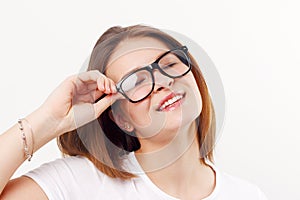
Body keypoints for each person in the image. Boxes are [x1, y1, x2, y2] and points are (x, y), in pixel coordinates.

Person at [0, 25, 267, 199]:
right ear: (121, 118)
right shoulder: (79, 182)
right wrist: (48, 121)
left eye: (169, 64)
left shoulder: (248, 194)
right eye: (137, 81)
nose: (162, 82)